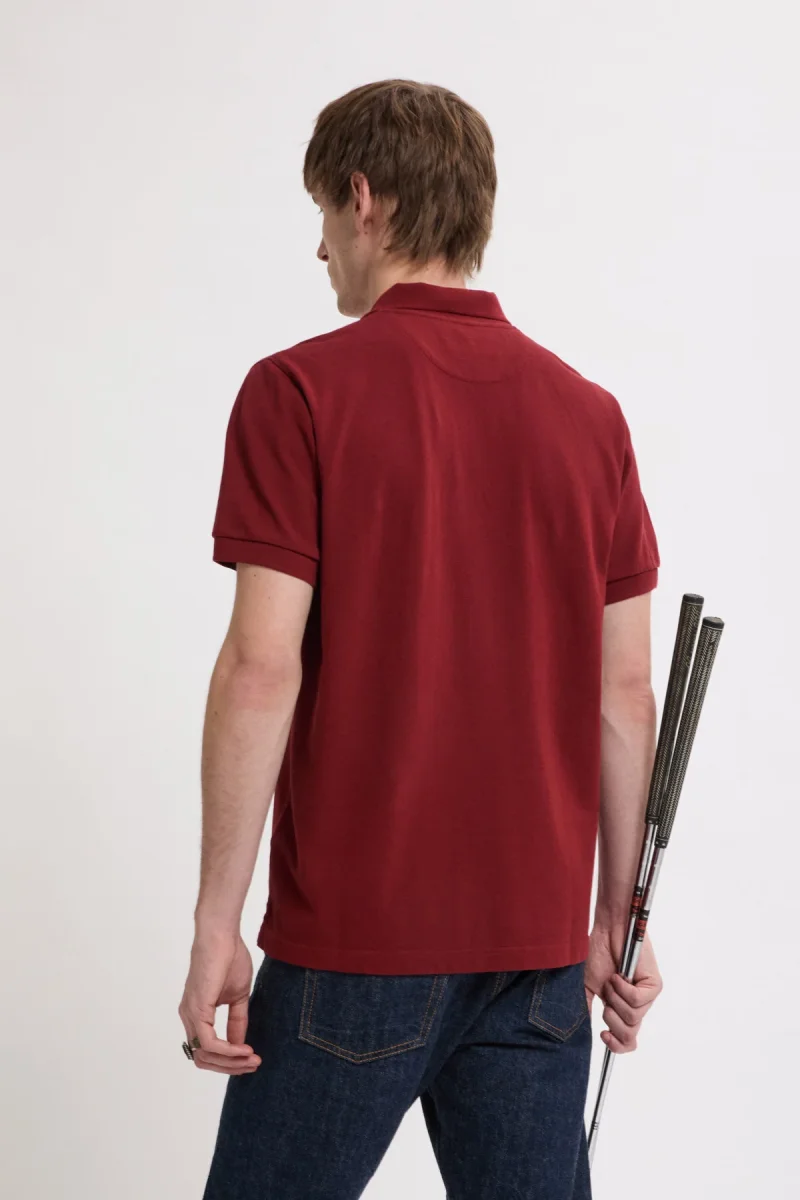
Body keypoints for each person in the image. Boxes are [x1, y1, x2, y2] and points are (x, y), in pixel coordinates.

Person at [179, 78, 663, 1200]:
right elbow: (624, 691)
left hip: (352, 944)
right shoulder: (589, 415)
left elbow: (260, 667)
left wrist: (215, 923)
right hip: (536, 955)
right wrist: (620, 913)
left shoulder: (298, 391)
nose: (320, 252)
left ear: (364, 200)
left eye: (321, 217)